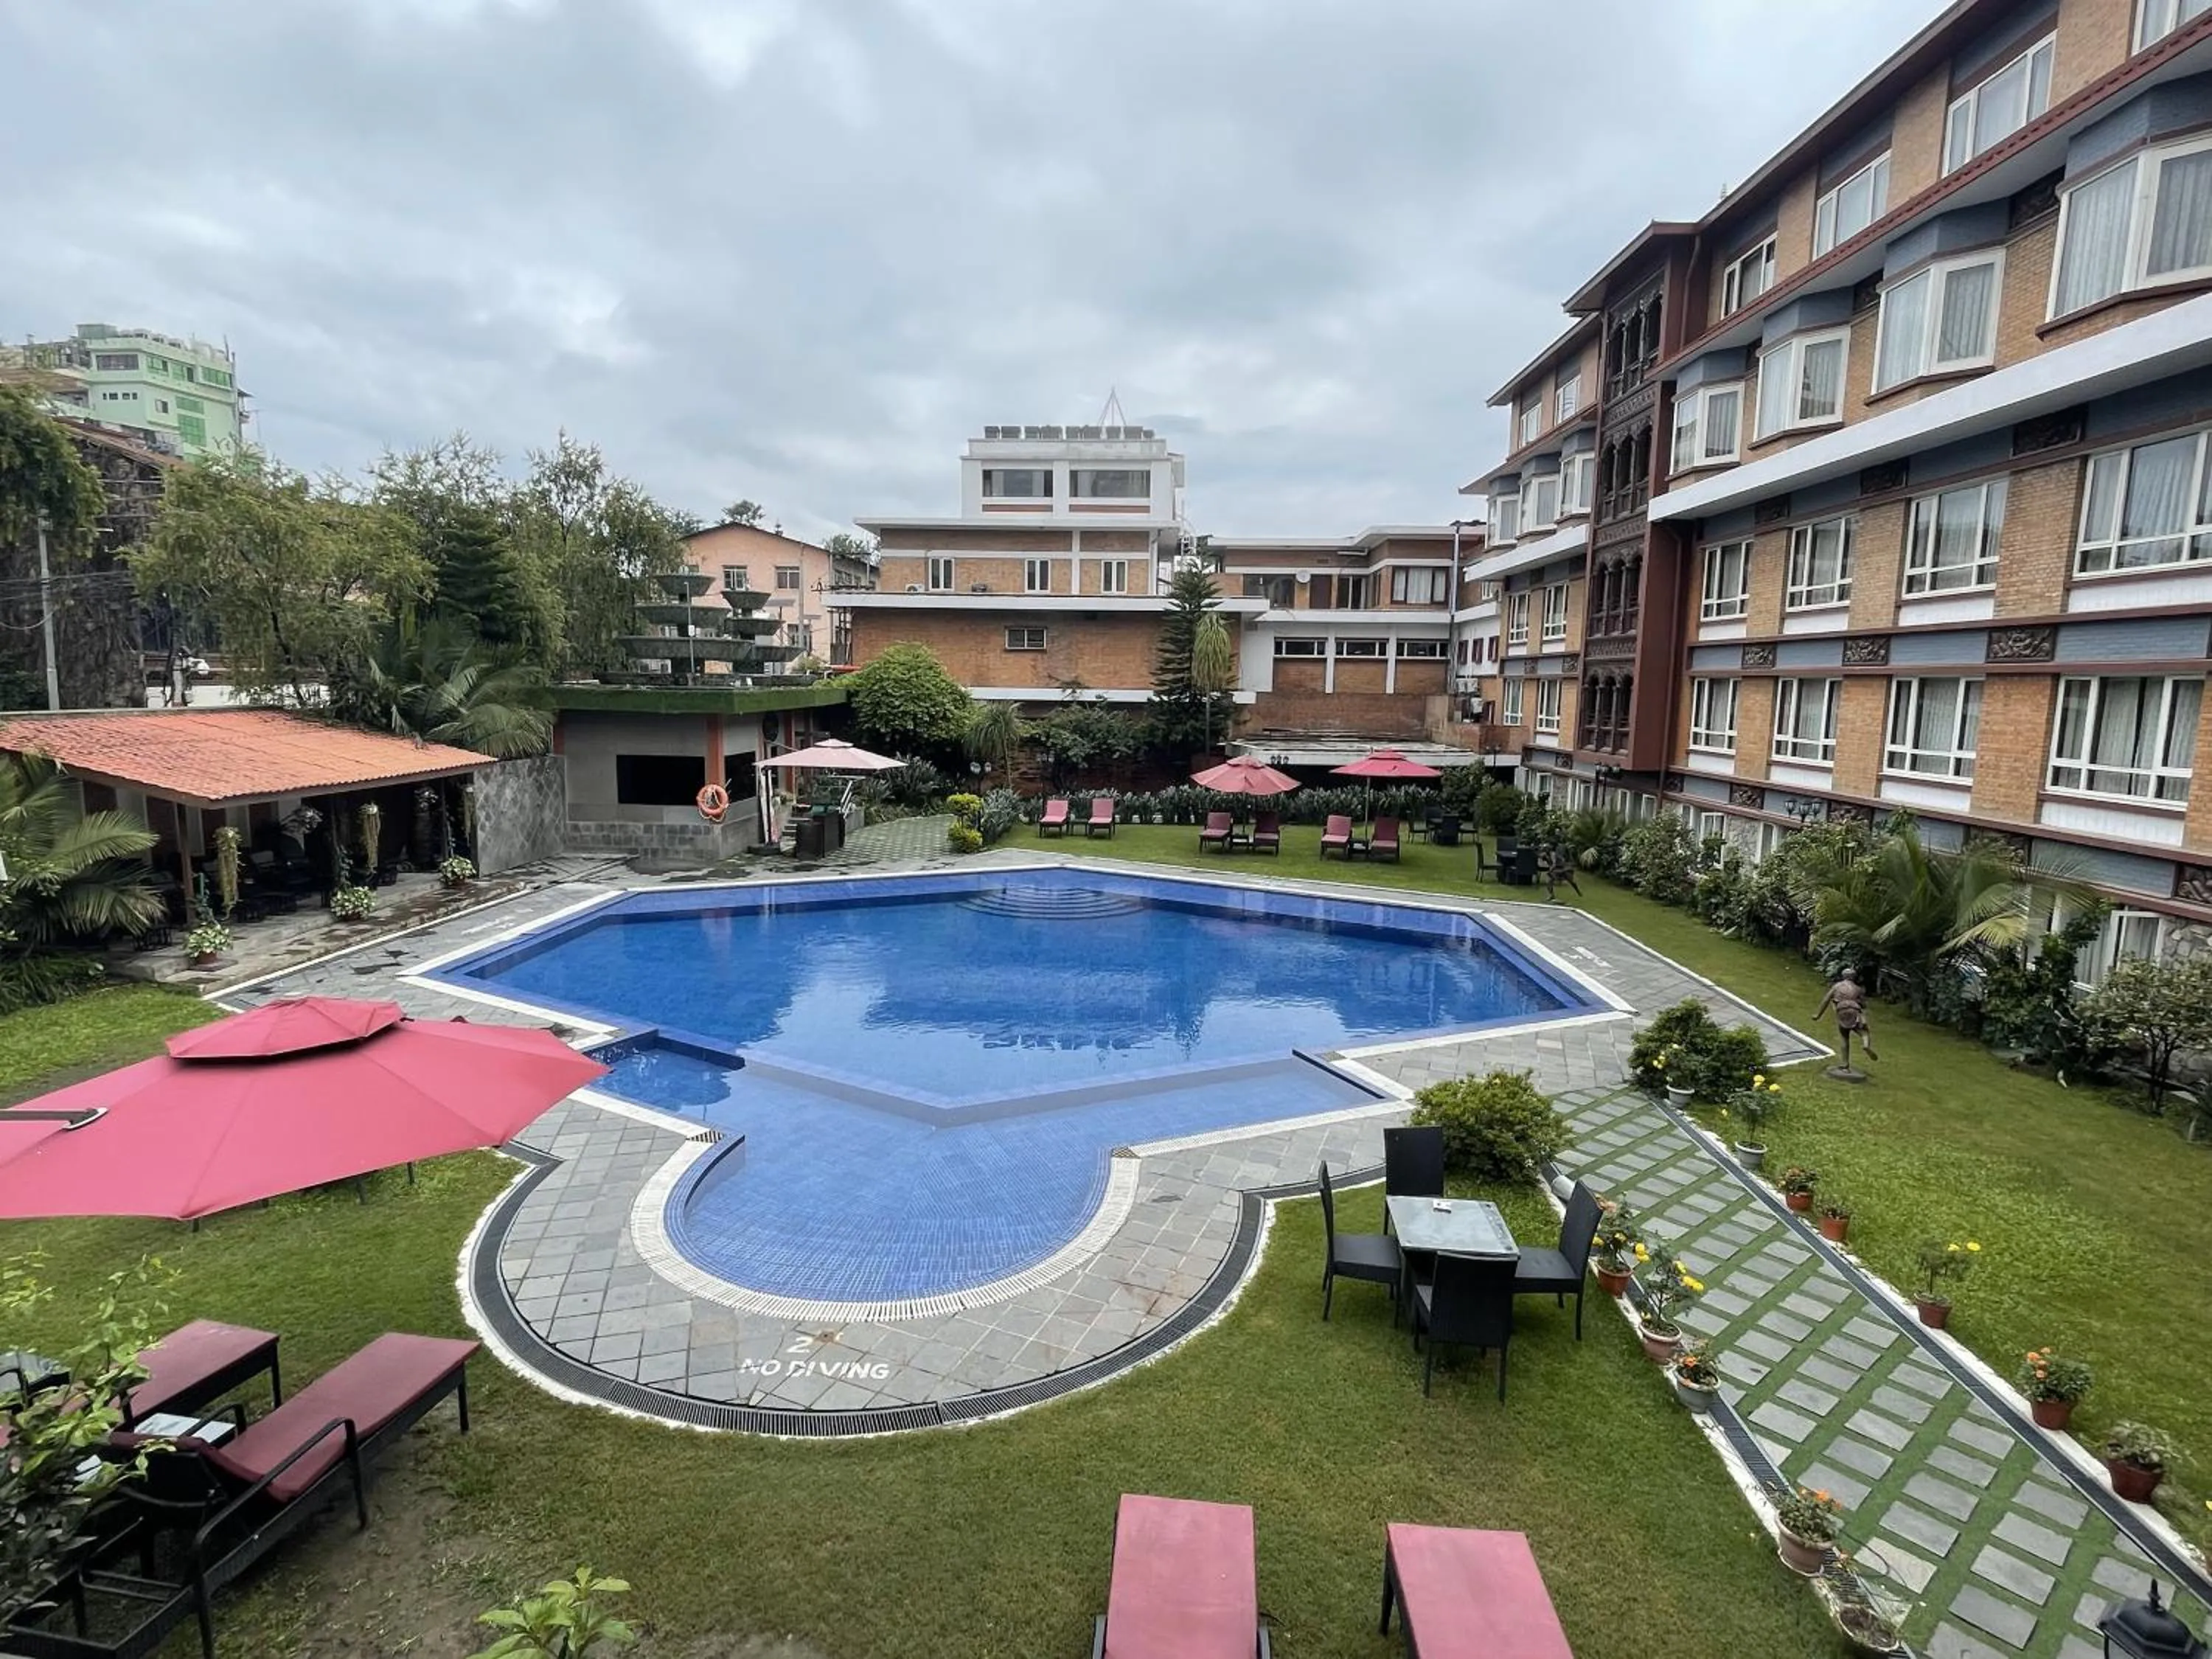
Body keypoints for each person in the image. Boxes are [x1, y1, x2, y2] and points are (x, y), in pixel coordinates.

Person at [1815, 970, 1878, 1067]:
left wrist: (1818, 1015)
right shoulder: (1858, 989)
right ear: (1854, 977)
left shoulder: (1837, 986)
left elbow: (1826, 1000)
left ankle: (1845, 1063)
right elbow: (1864, 1005)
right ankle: (1866, 1045)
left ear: (1843, 976)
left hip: (1842, 1011)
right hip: (1854, 1010)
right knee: (1864, 1032)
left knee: (1844, 1036)